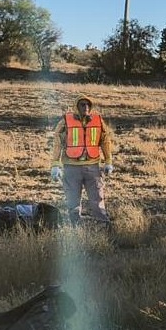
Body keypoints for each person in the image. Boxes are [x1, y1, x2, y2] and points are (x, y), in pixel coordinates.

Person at [49, 95, 115, 231]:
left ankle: (104, 229)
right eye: (82, 104)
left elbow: (105, 140)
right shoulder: (66, 121)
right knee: (72, 202)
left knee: (97, 201)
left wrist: (108, 161)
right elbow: (57, 142)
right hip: (71, 168)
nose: (86, 107)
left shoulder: (98, 120)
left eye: (88, 104)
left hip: (93, 167)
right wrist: (55, 165)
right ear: (76, 106)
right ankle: (76, 231)